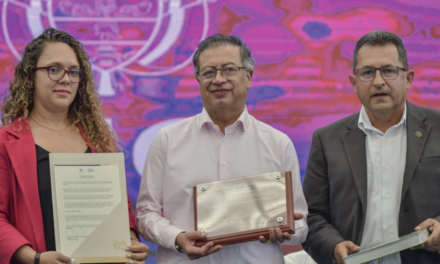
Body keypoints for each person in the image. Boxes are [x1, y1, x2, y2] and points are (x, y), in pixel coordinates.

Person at [136, 34, 308, 263]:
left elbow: (301, 224)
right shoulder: (167, 140)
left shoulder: (277, 143)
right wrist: (177, 238)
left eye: (228, 69)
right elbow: (146, 214)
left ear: (248, 76)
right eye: (208, 72)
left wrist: (286, 230)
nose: (218, 79)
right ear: (198, 80)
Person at [0, 28, 149, 264]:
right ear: (30, 76)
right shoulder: (5, 142)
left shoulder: (99, 139)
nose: (66, 78)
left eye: (74, 71)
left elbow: (119, 207)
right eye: (54, 69)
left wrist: (129, 240)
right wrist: (33, 258)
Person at [302, 30, 440, 264]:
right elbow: (312, 216)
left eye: (388, 70)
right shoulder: (327, 140)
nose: (378, 81)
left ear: (408, 79)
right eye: (367, 73)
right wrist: (333, 245)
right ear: (354, 83)